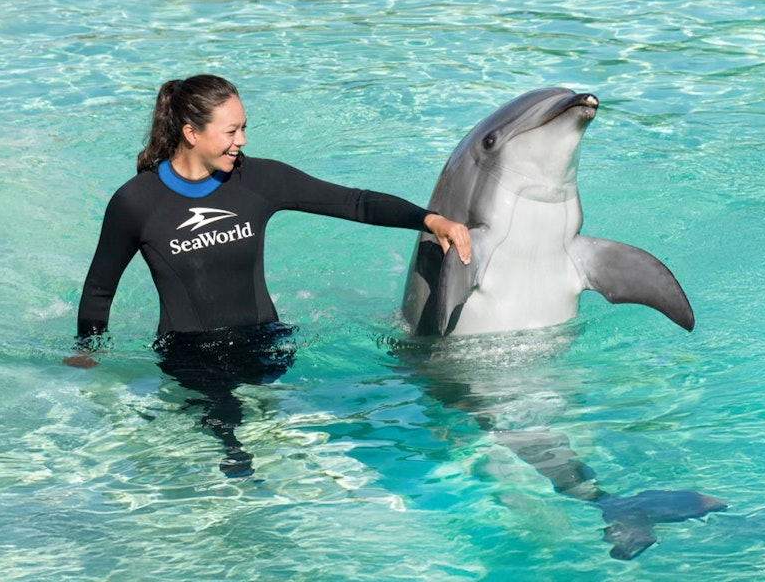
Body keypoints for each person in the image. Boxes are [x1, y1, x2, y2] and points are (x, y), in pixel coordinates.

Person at [69, 74, 471, 477]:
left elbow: (353, 202)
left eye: (244, 128)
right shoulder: (137, 202)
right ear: (191, 133)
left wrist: (429, 219)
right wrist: (88, 352)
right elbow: (101, 288)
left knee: (311, 429)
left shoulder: (256, 181)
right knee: (233, 447)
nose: (241, 140)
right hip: (190, 356)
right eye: (231, 131)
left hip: (266, 343)